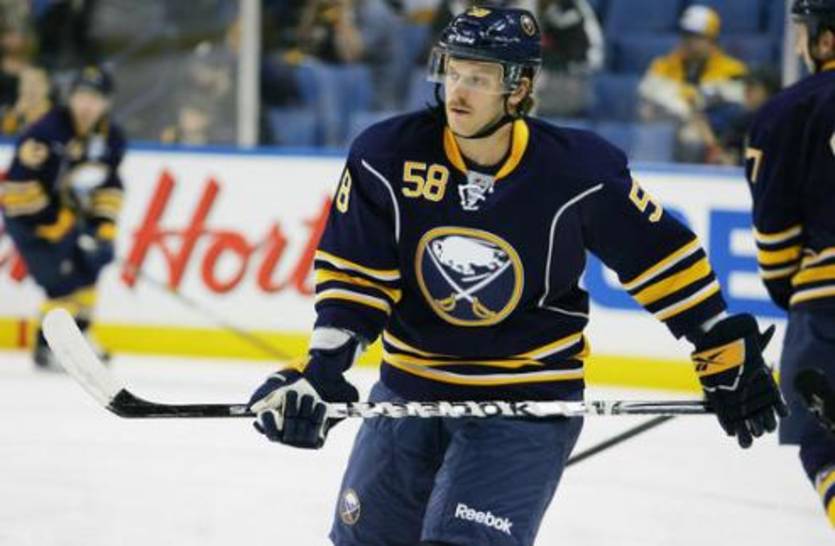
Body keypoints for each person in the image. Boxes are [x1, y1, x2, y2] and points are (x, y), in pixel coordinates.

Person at [248, 8, 787, 545]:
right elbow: (356, 282)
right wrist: (321, 370)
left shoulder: (576, 171)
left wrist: (717, 339)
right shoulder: (384, 157)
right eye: (454, 71)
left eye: (479, 78)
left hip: (524, 404)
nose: (459, 92)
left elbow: (659, 257)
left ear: (519, 88)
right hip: (407, 392)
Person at [745, 0, 835, 527]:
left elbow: (775, 235)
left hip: (827, 308)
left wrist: (796, 300)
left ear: (825, 40)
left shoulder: (789, 110)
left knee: (826, 447)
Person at [1, 65, 125, 369]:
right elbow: (16, 191)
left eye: (95, 98)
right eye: (81, 95)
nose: (86, 105)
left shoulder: (111, 138)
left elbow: (108, 184)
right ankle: (47, 346)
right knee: (62, 281)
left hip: (69, 217)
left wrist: (103, 224)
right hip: (28, 220)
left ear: (106, 103)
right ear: (70, 97)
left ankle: (79, 336)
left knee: (94, 261)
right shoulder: (45, 132)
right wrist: (56, 222)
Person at [638, 4, 748, 162]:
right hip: (670, 127)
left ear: (712, 40)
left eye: (697, 37)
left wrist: (691, 98)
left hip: (712, 135)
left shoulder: (733, 69)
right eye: (685, 35)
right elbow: (647, 92)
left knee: (693, 136)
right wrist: (690, 102)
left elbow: (737, 101)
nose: (689, 42)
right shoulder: (663, 65)